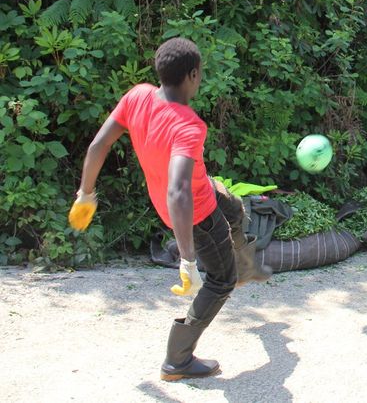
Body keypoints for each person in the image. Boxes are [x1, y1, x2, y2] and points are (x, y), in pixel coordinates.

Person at [68, 37, 267, 381]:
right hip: (195, 214)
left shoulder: (138, 96)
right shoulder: (188, 125)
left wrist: (85, 193)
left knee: (234, 210)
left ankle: (243, 265)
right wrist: (188, 259)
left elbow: (99, 144)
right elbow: (178, 191)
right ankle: (177, 360)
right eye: (201, 73)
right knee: (220, 281)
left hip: (196, 194)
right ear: (192, 75)